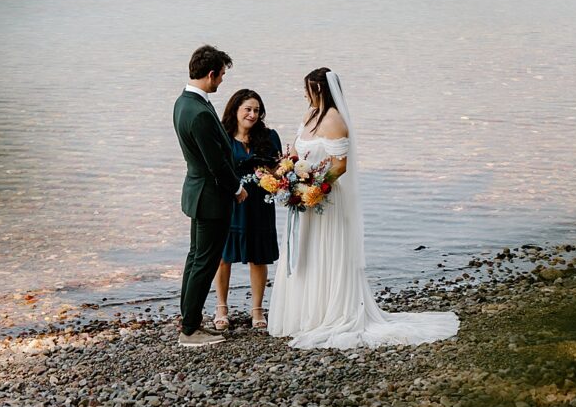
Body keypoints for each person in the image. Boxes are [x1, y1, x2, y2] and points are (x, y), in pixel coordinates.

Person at [268, 67, 460, 349]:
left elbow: (339, 165)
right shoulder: (309, 115)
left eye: (307, 89)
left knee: (325, 251)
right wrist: (288, 176)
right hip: (304, 198)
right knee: (305, 251)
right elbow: (296, 154)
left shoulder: (335, 120)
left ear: (318, 89)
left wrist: (316, 188)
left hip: (326, 199)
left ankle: (329, 312)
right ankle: (304, 314)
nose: (304, 94)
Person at [173, 45, 248, 348]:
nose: (221, 81)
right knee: (205, 262)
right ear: (211, 74)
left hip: (198, 192)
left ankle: (189, 320)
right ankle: (190, 330)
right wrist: (237, 189)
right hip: (211, 197)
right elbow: (215, 162)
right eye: (221, 76)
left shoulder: (183, 102)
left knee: (196, 259)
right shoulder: (200, 112)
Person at [213, 89, 281, 331]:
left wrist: (271, 174)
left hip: (260, 203)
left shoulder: (269, 137)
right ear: (235, 110)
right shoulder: (222, 136)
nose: (252, 115)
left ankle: (257, 310)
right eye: (248, 109)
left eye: (256, 110)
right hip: (230, 202)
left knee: (259, 257)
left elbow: (279, 169)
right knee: (223, 257)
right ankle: (221, 307)